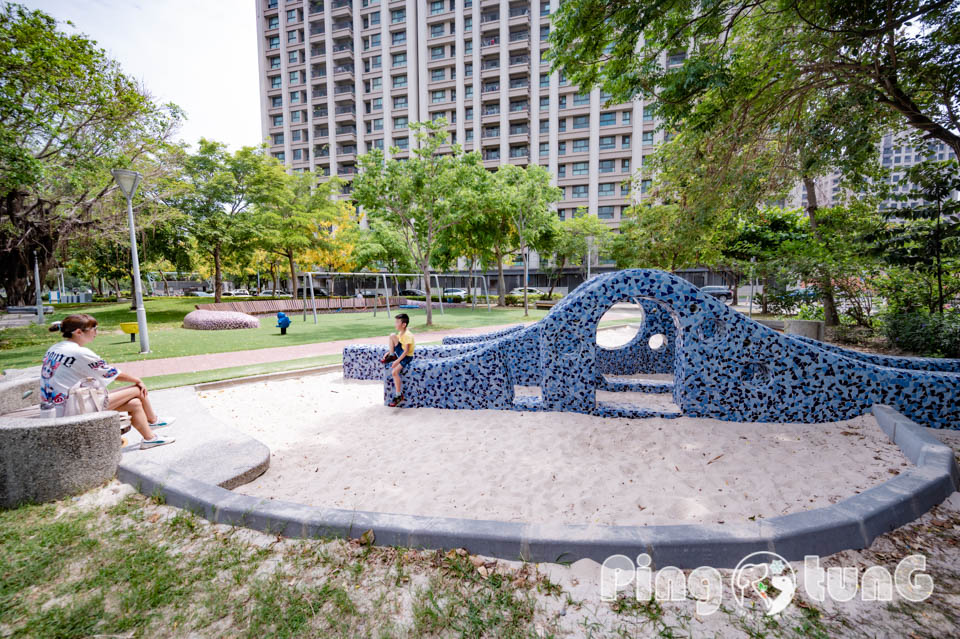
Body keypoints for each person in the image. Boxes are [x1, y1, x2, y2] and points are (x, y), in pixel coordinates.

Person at [41, 314, 175, 450]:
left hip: (57, 407)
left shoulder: (56, 348)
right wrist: (137, 380)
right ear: (79, 332)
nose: (96, 333)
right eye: (94, 329)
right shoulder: (79, 352)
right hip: (72, 408)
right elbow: (110, 372)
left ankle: (150, 439)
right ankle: (153, 420)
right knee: (136, 389)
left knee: (134, 404)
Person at [379, 313, 414, 407]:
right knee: (392, 335)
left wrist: (397, 361)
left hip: (406, 357)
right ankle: (391, 355)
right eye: (395, 321)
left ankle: (399, 395)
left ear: (404, 324)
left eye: (397, 322)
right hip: (400, 352)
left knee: (394, 372)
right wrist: (389, 352)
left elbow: (406, 351)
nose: (395, 324)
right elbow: (397, 344)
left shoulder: (407, 335)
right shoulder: (401, 333)